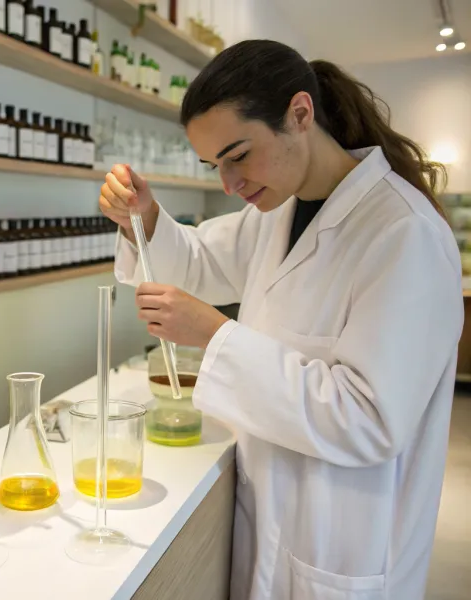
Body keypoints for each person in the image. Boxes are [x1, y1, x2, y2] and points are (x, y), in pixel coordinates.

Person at [100, 39, 462, 600]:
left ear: (299, 114)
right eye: (215, 165)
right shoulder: (277, 211)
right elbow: (200, 260)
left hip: (346, 544)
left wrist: (215, 336)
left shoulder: (403, 233)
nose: (230, 184)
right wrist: (144, 220)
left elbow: (369, 418)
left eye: (238, 155)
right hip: (275, 520)